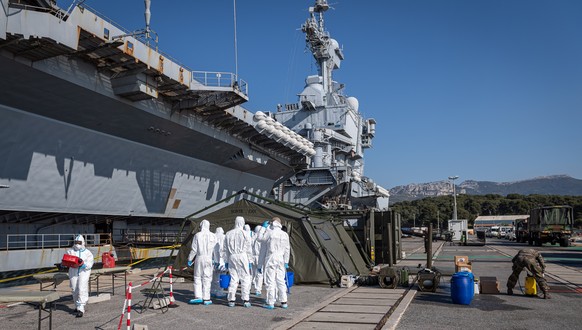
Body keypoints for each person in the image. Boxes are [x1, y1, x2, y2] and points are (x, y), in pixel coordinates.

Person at [257, 217, 290, 309]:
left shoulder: (269, 232)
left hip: (271, 258)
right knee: (281, 280)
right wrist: (286, 261)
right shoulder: (285, 234)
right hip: (281, 259)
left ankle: (270, 302)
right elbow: (287, 249)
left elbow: (259, 239)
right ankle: (284, 301)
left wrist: (263, 228)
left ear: (272, 223)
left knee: (270, 280)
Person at [224, 216, 253, 307]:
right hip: (242, 256)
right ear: (243, 223)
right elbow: (249, 249)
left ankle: (231, 299)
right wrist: (250, 261)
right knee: (245, 278)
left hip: (232, 257)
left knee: (233, 278)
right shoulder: (245, 233)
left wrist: (226, 260)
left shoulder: (228, 234)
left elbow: (225, 249)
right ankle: (245, 299)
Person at [187, 219, 218, 305]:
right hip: (209, 259)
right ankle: (207, 298)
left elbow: (194, 249)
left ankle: (198, 296)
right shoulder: (213, 235)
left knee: (197, 277)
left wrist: (190, 259)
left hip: (199, 258)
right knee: (207, 278)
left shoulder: (197, 235)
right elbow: (216, 250)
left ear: (201, 226)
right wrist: (216, 260)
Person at [67, 234, 94, 317]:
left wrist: (83, 265)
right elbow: (67, 260)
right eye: (76, 242)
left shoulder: (87, 253)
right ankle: (77, 306)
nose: (77, 244)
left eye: (79, 242)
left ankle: (81, 308)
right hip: (73, 272)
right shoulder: (70, 251)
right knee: (74, 289)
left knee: (82, 288)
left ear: (83, 242)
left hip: (84, 272)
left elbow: (90, 264)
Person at [210, 227, 226, 298]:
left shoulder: (212, 236)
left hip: (214, 260)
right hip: (222, 260)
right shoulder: (224, 237)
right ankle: (220, 292)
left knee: (214, 277)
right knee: (222, 277)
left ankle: (213, 291)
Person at [251, 226, 264, 296]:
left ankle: (248, 288)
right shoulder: (261, 239)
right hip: (259, 258)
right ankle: (258, 290)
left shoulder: (253, 238)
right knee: (259, 274)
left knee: (252, 273)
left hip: (253, 257)